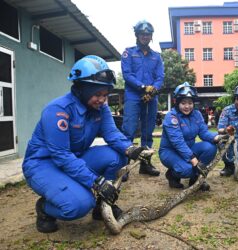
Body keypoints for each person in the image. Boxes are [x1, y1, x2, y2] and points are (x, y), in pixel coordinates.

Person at [22, 55, 147, 233]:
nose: (103, 100)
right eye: (97, 94)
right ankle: (44, 208)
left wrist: (132, 150)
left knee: (118, 155)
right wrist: (96, 182)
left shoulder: (100, 108)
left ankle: (102, 206)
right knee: (78, 206)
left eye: (105, 94)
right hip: (43, 164)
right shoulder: (58, 110)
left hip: (75, 158)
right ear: (81, 89)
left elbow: (111, 134)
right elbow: (61, 156)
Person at [159, 82, 227, 191]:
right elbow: (178, 142)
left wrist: (218, 137)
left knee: (210, 147)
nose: (187, 106)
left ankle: (195, 179)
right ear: (176, 102)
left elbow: (204, 133)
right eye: (183, 103)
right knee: (188, 170)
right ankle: (172, 175)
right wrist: (194, 160)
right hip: (170, 151)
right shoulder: (171, 117)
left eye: (190, 103)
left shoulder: (197, 114)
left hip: (189, 148)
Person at [121, 20, 164, 179]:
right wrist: (142, 87)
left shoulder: (156, 57)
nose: (145, 36)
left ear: (151, 36)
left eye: (148, 34)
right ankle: (124, 166)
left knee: (148, 132)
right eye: (142, 34)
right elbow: (127, 75)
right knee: (129, 131)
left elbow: (160, 77)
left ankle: (145, 165)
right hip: (133, 97)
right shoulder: (128, 52)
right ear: (137, 35)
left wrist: (152, 91)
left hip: (151, 98)